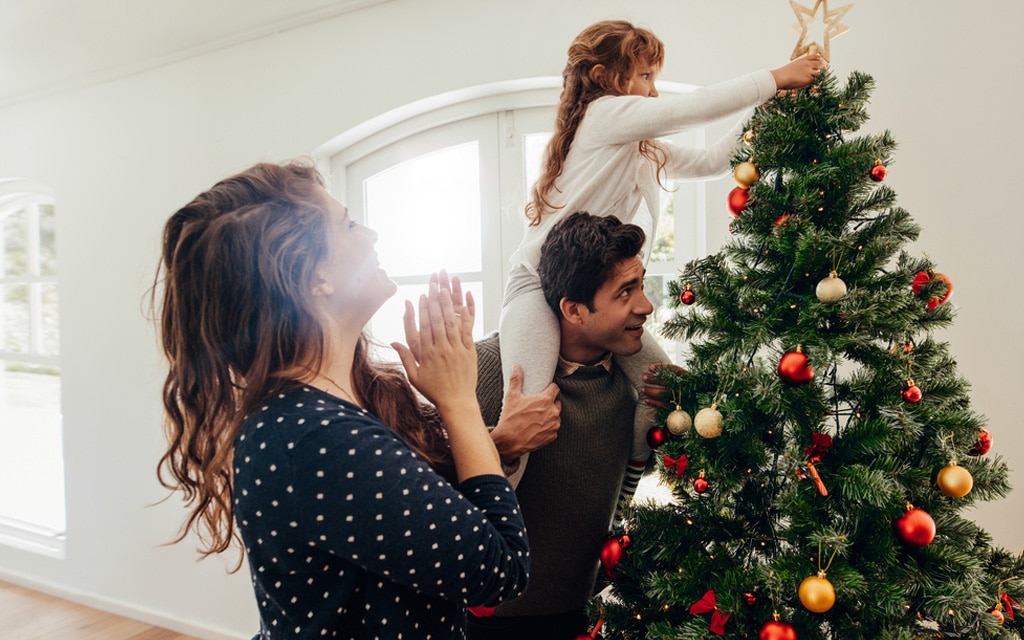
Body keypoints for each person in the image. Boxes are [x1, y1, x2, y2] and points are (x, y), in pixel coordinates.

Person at [155, 160, 529, 639]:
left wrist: (492, 438)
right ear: (317, 277)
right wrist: (459, 401)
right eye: (348, 224)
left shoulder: (335, 408)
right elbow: (501, 569)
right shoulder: (315, 437)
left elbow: (411, 516)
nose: (370, 234)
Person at [499, 19, 825, 485]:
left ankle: (629, 484)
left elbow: (714, 161)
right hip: (538, 284)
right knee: (528, 409)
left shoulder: (642, 147)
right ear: (602, 78)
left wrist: (769, 108)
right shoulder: (604, 116)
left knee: (663, 386)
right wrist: (775, 77)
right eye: (645, 77)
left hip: (597, 288)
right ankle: (491, 518)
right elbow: (691, 110)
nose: (653, 93)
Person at [469, 211, 656, 640]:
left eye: (642, 284)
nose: (646, 305)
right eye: (626, 292)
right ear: (573, 309)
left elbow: (631, 473)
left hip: (579, 617)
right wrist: (502, 444)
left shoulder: (632, 388)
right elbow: (432, 494)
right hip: (483, 622)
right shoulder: (487, 369)